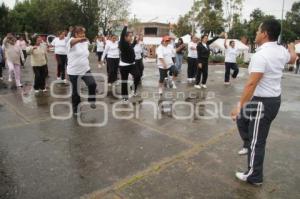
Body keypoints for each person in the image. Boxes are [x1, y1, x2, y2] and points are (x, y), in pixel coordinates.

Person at [231, 19, 297, 186]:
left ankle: (254, 176)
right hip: (270, 100)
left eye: (258, 30)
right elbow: (292, 58)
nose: (256, 33)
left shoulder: (262, 55)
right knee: (242, 119)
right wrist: (291, 47)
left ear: (265, 34)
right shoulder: (280, 50)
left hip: (264, 102)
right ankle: (248, 144)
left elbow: (251, 83)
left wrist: (239, 105)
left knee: (257, 140)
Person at [67, 26, 97, 115]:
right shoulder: (71, 40)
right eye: (81, 33)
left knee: (92, 84)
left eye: (84, 33)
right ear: (76, 34)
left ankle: (91, 100)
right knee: (76, 92)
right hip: (74, 72)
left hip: (85, 69)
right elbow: (72, 42)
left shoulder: (85, 42)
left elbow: (88, 49)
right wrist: (80, 40)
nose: (83, 35)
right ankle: (76, 108)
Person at [118, 23, 141, 101]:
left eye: (132, 36)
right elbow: (122, 36)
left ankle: (133, 87)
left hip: (132, 65)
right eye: (130, 36)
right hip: (124, 66)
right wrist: (125, 26)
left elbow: (132, 45)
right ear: (125, 37)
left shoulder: (129, 44)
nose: (131, 38)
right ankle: (125, 97)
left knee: (138, 76)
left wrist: (135, 40)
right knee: (124, 81)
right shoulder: (122, 43)